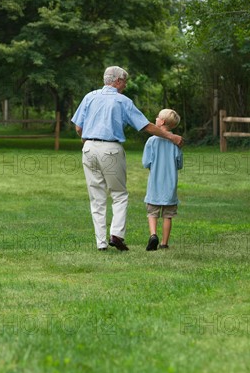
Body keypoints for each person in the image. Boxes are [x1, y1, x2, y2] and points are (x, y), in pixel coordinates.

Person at [71, 66, 184, 251]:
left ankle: (100, 243)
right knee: (119, 195)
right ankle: (116, 235)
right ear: (117, 81)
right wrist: (172, 137)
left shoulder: (89, 97)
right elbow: (146, 126)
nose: (125, 85)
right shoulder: (122, 101)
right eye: (124, 81)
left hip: (88, 148)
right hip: (111, 149)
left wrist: (88, 141)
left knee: (97, 197)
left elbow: (78, 127)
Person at [142, 109, 184, 251]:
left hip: (154, 184)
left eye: (158, 117)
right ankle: (164, 243)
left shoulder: (151, 141)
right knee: (168, 215)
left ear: (162, 122)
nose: (155, 118)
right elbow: (179, 164)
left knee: (152, 212)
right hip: (170, 185)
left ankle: (153, 235)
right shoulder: (176, 142)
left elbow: (146, 163)